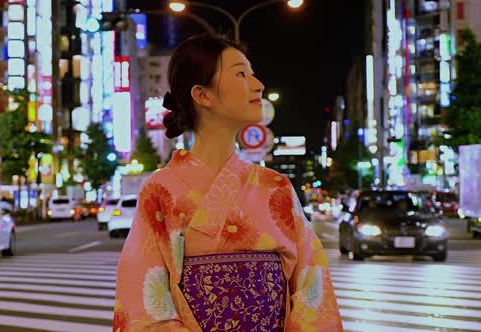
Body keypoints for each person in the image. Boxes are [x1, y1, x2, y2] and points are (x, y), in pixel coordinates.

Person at [113, 34, 343, 331]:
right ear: (203, 95)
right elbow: (143, 298)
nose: (258, 85)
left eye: (253, 73)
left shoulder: (277, 187)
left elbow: (313, 289)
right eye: (240, 73)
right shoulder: (160, 190)